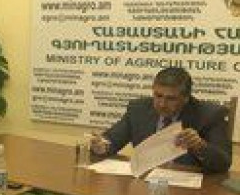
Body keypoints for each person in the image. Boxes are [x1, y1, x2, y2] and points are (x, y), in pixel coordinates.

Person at [90, 67, 232, 173]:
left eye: (171, 98)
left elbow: (223, 164)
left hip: (187, 189)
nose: (162, 104)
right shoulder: (138, 109)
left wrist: (200, 146)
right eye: (158, 96)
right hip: (144, 182)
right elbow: (112, 140)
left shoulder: (209, 115)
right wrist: (102, 146)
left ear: (186, 98)